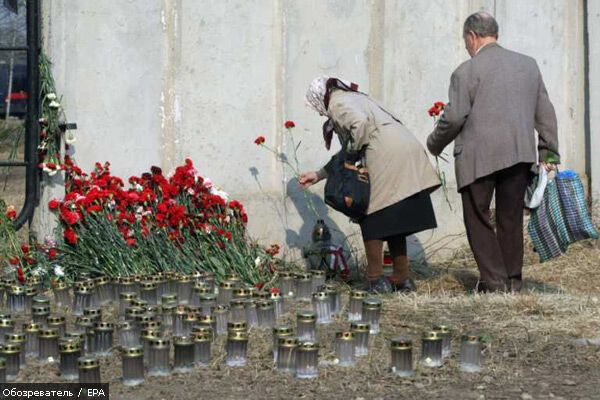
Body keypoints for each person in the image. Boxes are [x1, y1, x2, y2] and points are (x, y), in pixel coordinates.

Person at [427, 12, 560, 293]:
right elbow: (545, 114)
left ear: (472, 36)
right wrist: (548, 154)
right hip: (519, 155)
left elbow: (454, 118)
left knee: (477, 216)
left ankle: (495, 282)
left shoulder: (466, 71)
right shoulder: (529, 65)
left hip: (479, 158)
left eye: (466, 41)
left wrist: (434, 144)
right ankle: (513, 281)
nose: (467, 47)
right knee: (510, 218)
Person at [299, 76, 440, 293]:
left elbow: (359, 126)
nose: (318, 112)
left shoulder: (337, 103)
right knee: (396, 218)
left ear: (321, 97)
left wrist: (352, 156)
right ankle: (402, 278)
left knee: (371, 215)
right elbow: (353, 141)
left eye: (316, 106)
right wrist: (319, 174)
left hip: (385, 156)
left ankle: (375, 279)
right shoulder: (355, 97)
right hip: (404, 150)